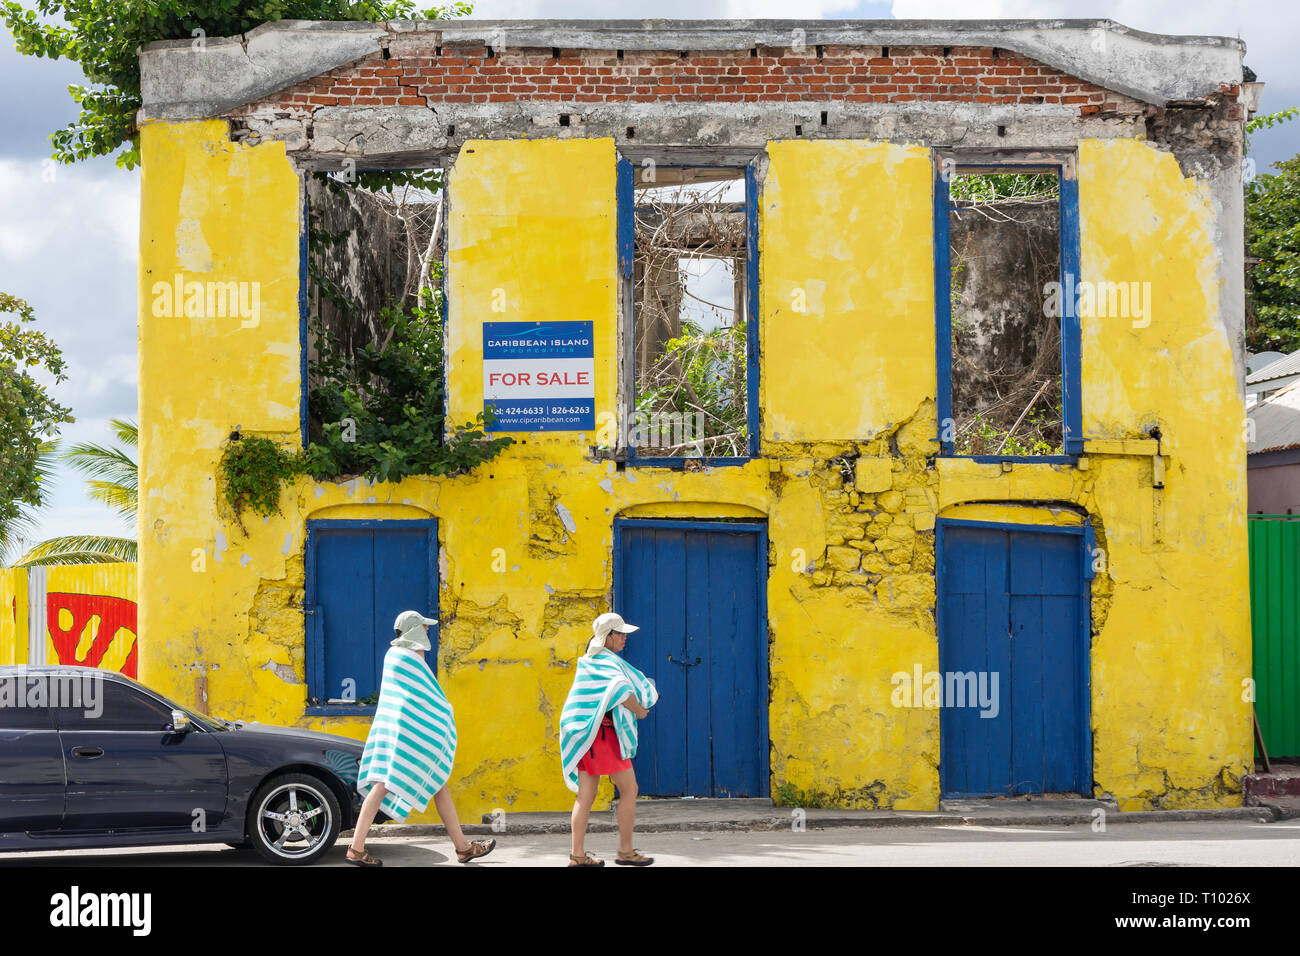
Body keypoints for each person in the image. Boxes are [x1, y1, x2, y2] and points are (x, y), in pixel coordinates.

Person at [346, 610, 496, 866]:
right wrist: (444, 711)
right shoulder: (412, 655)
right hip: (409, 733)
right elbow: (425, 696)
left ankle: (463, 847)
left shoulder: (391, 655)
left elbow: (405, 697)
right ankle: (356, 848)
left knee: (435, 782)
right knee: (384, 784)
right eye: (424, 627)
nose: (428, 631)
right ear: (415, 630)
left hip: (397, 729)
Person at [559, 612, 659, 866]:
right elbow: (621, 690)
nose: (625, 638)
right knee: (629, 790)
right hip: (603, 738)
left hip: (588, 738)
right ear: (608, 636)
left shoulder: (590, 660)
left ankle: (578, 856)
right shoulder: (605, 662)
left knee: (585, 797)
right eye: (621, 633)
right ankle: (625, 851)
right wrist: (639, 710)